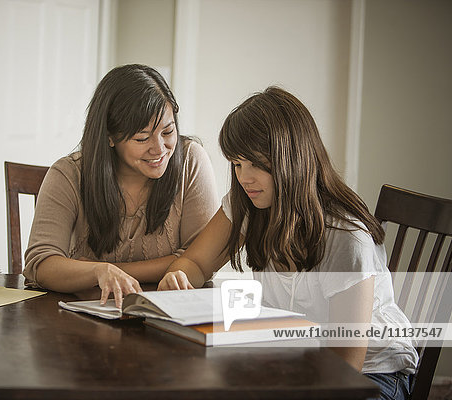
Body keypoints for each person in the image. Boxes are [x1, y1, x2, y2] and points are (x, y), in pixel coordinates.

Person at [158, 87, 418, 400]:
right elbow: (196, 263)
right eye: (237, 165)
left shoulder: (346, 238)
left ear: (290, 156)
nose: (244, 178)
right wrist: (181, 274)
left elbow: (344, 367)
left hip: (373, 374)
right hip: (300, 359)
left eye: (255, 163)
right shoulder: (248, 206)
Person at [24, 64, 219, 307]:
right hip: (83, 319)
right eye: (142, 138)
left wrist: (109, 269)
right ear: (110, 137)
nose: (159, 149)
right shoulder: (69, 174)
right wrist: (99, 272)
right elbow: (41, 264)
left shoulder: (191, 161)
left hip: (167, 316)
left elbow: (201, 259)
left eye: (168, 131)